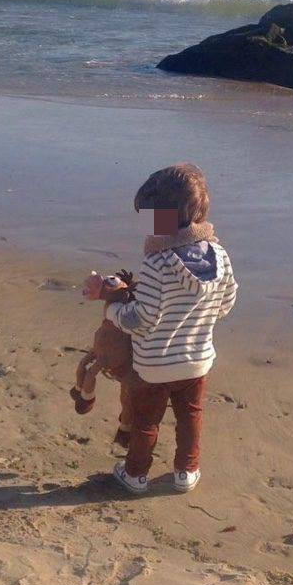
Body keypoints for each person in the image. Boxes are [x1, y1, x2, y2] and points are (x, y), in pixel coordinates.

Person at [84, 163, 237, 494]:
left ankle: (136, 474)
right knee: (190, 416)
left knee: (146, 421)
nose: (153, 225)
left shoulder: (158, 262)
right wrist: (200, 316)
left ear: (166, 217)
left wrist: (113, 309)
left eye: (155, 216)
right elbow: (226, 303)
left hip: (154, 365)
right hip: (198, 360)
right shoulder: (220, 255)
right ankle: (186, 471)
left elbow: (143, 317)